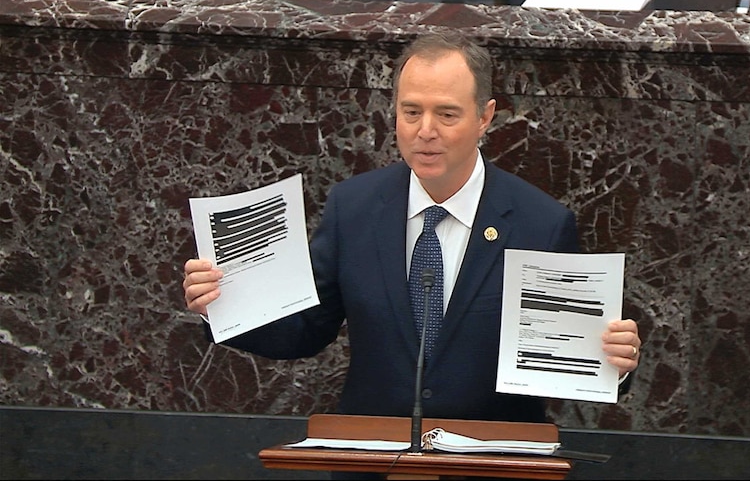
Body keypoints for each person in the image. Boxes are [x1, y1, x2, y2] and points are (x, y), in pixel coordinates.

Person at [182, 32, 641, 425]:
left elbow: (567, 359)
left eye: (446, 114)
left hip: (493, 462)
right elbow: (306, 330)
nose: (425, 131)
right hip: (372, 457)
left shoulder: (541, 223)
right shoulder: (354, 207)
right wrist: (222, 306)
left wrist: (612, 362)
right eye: (411, 112)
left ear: (485, 117)